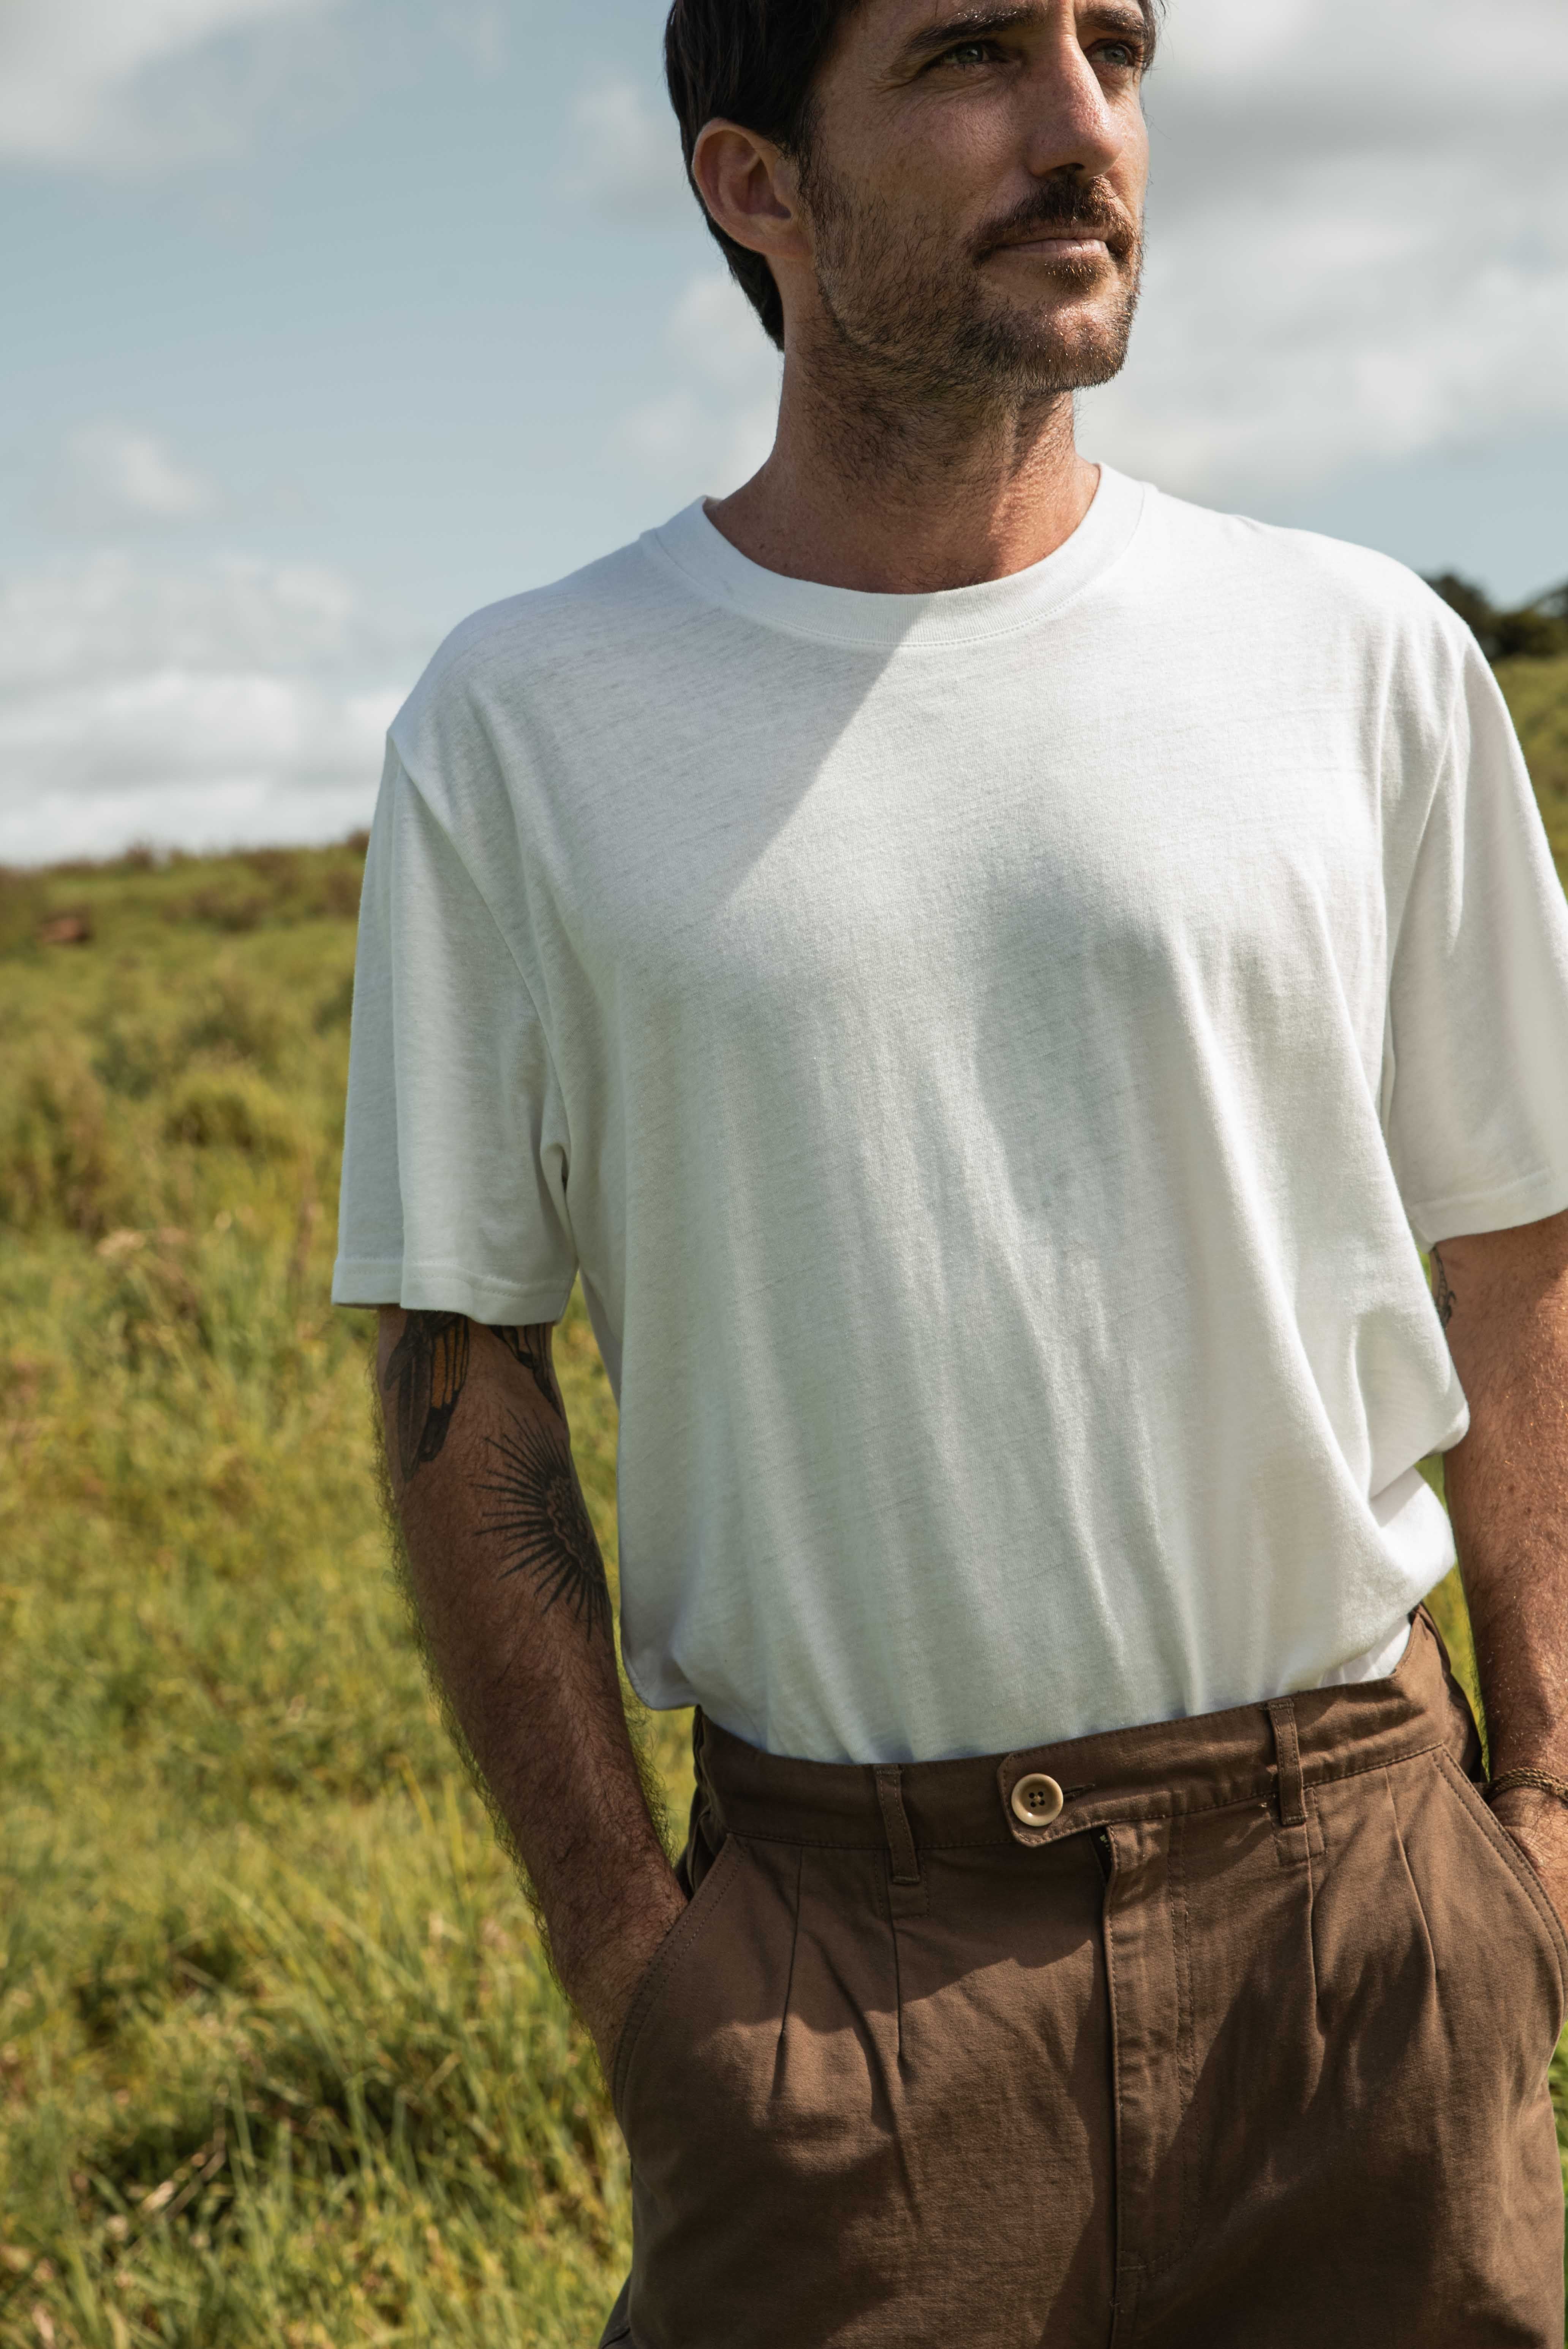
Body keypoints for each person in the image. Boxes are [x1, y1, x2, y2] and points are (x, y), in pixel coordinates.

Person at [332, 0, 1568, 2340]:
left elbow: (1516, 1241)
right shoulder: (525, 720)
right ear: (752, 186)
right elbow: (455, 1352)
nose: (1087, 126)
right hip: (840, 1979)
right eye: (974, 55)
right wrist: (637, 1963)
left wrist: (1544, 1825)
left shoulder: (1363, 657)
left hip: (1362, 1915)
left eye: (1119, 45)